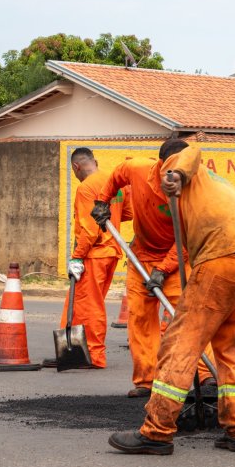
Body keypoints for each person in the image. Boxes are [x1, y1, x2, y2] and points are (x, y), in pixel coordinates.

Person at [108, 138, 235, 455]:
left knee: (181, 343)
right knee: (227, 346)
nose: (162, 176)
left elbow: (191, 149)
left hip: (222, 259)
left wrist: (176, 172)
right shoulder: (216, 187)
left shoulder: (183, 166)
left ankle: (156, 431)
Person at [93, 148, 216, 397]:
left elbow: (186, 240)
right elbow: (118, 175)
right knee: (139, 318)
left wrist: (162, 270)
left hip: (178, 261)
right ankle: (146, 381)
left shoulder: (198, 191)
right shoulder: (137, 169)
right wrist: (102, 201)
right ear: (162, 165)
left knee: (190, 317)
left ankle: (206, 377)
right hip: (142, 255)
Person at [46, 148, 130, 369]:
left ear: (76, 167)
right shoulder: (112, 183)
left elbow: (90, 228)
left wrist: (77, 256)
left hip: (95, 253)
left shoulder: (86, 188)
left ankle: (93, 355)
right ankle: (68, 351)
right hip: (110, 252)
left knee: (90, 305)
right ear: (95, 161)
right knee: (80, 303)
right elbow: (127, 212)